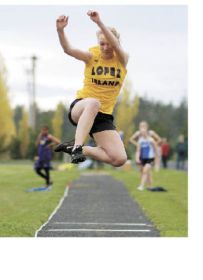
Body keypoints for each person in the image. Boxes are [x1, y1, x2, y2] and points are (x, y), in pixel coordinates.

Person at [54, 11, 129, 167]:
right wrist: (60, 30)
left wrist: (99, 22)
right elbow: (68, 49)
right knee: (94, 103)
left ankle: (78, 148)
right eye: (102, 43)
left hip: (103, 116)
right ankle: (77, 148)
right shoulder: (91, 56)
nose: (106, 47)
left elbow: (115, 45)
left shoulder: (122, 59)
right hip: (82, 107)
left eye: (109, 43)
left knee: (119, 159)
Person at [135, 125, 158, 191]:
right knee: (146, 172)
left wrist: (156, 160)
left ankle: (141, 186)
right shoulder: (140, 140)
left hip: (150, 158)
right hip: (143, 158)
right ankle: (150, 186)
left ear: (146, 132)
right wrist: (137, 158)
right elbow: (138, 150)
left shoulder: (151, 140)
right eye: (141, 132)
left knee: (145, 171)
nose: (143, 133)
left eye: (144, 132)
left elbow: (156, 149)